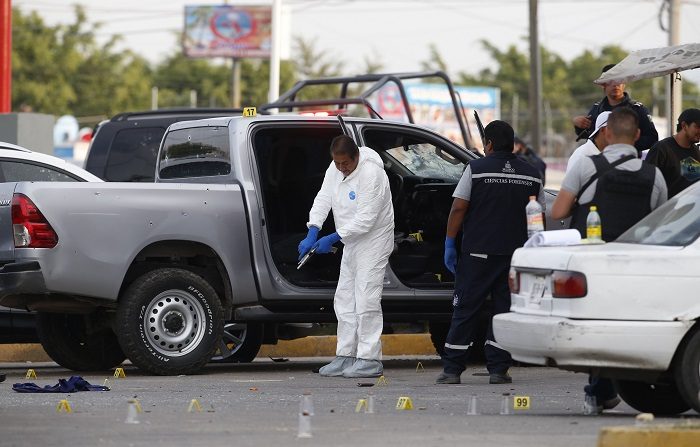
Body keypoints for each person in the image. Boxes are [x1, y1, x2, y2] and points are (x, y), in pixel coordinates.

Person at [552, 107, 667, 414]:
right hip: (636, 265)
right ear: (638, 136)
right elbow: (660, 223)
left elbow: (558, 212)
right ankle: (618, 389)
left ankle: (598, 390)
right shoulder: (654, 175)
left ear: (606, 133)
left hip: (593, 262)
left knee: (597, 326)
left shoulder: (586, 165)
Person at [436, 120, 544, 385]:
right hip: (515, 255)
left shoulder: (475, 168)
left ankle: (452, 370)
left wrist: (450, 242)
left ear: (489, 144)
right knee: (504, 310)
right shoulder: (532, 174)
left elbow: (459, 207)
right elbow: (537, 216)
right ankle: (498, 369)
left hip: (477, 255)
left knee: (465, 310)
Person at [298, 135, 394, 378]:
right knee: (344, 299)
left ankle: (370, 359)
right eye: (337, 163)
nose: (341, 168)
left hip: (373, 240)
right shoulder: (336, 167)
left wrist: (333, 238)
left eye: (345, 164)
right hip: (351, 241)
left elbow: (366, 219)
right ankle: (346, 355)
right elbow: (324, 197)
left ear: (356, 157)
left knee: (366, 298)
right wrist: (313, 229)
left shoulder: (372, 174)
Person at [573, 64, 658, 156]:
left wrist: (625, 142)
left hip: (629, 162)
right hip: (602, 163)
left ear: (624, 83)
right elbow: (589, 135)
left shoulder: (637, 109)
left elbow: (652, 138)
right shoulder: (597, 108)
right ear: (603, 84)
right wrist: (578, 124)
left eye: (619, 80)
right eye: (610, 80)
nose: (615, 84)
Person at [645, 107, 700, 198]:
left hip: (688, 209)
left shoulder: (695, 151)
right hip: (667, 210)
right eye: (698, 126)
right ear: (684, 126)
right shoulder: (661, 149)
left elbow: (692, 182)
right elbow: (648, 183)